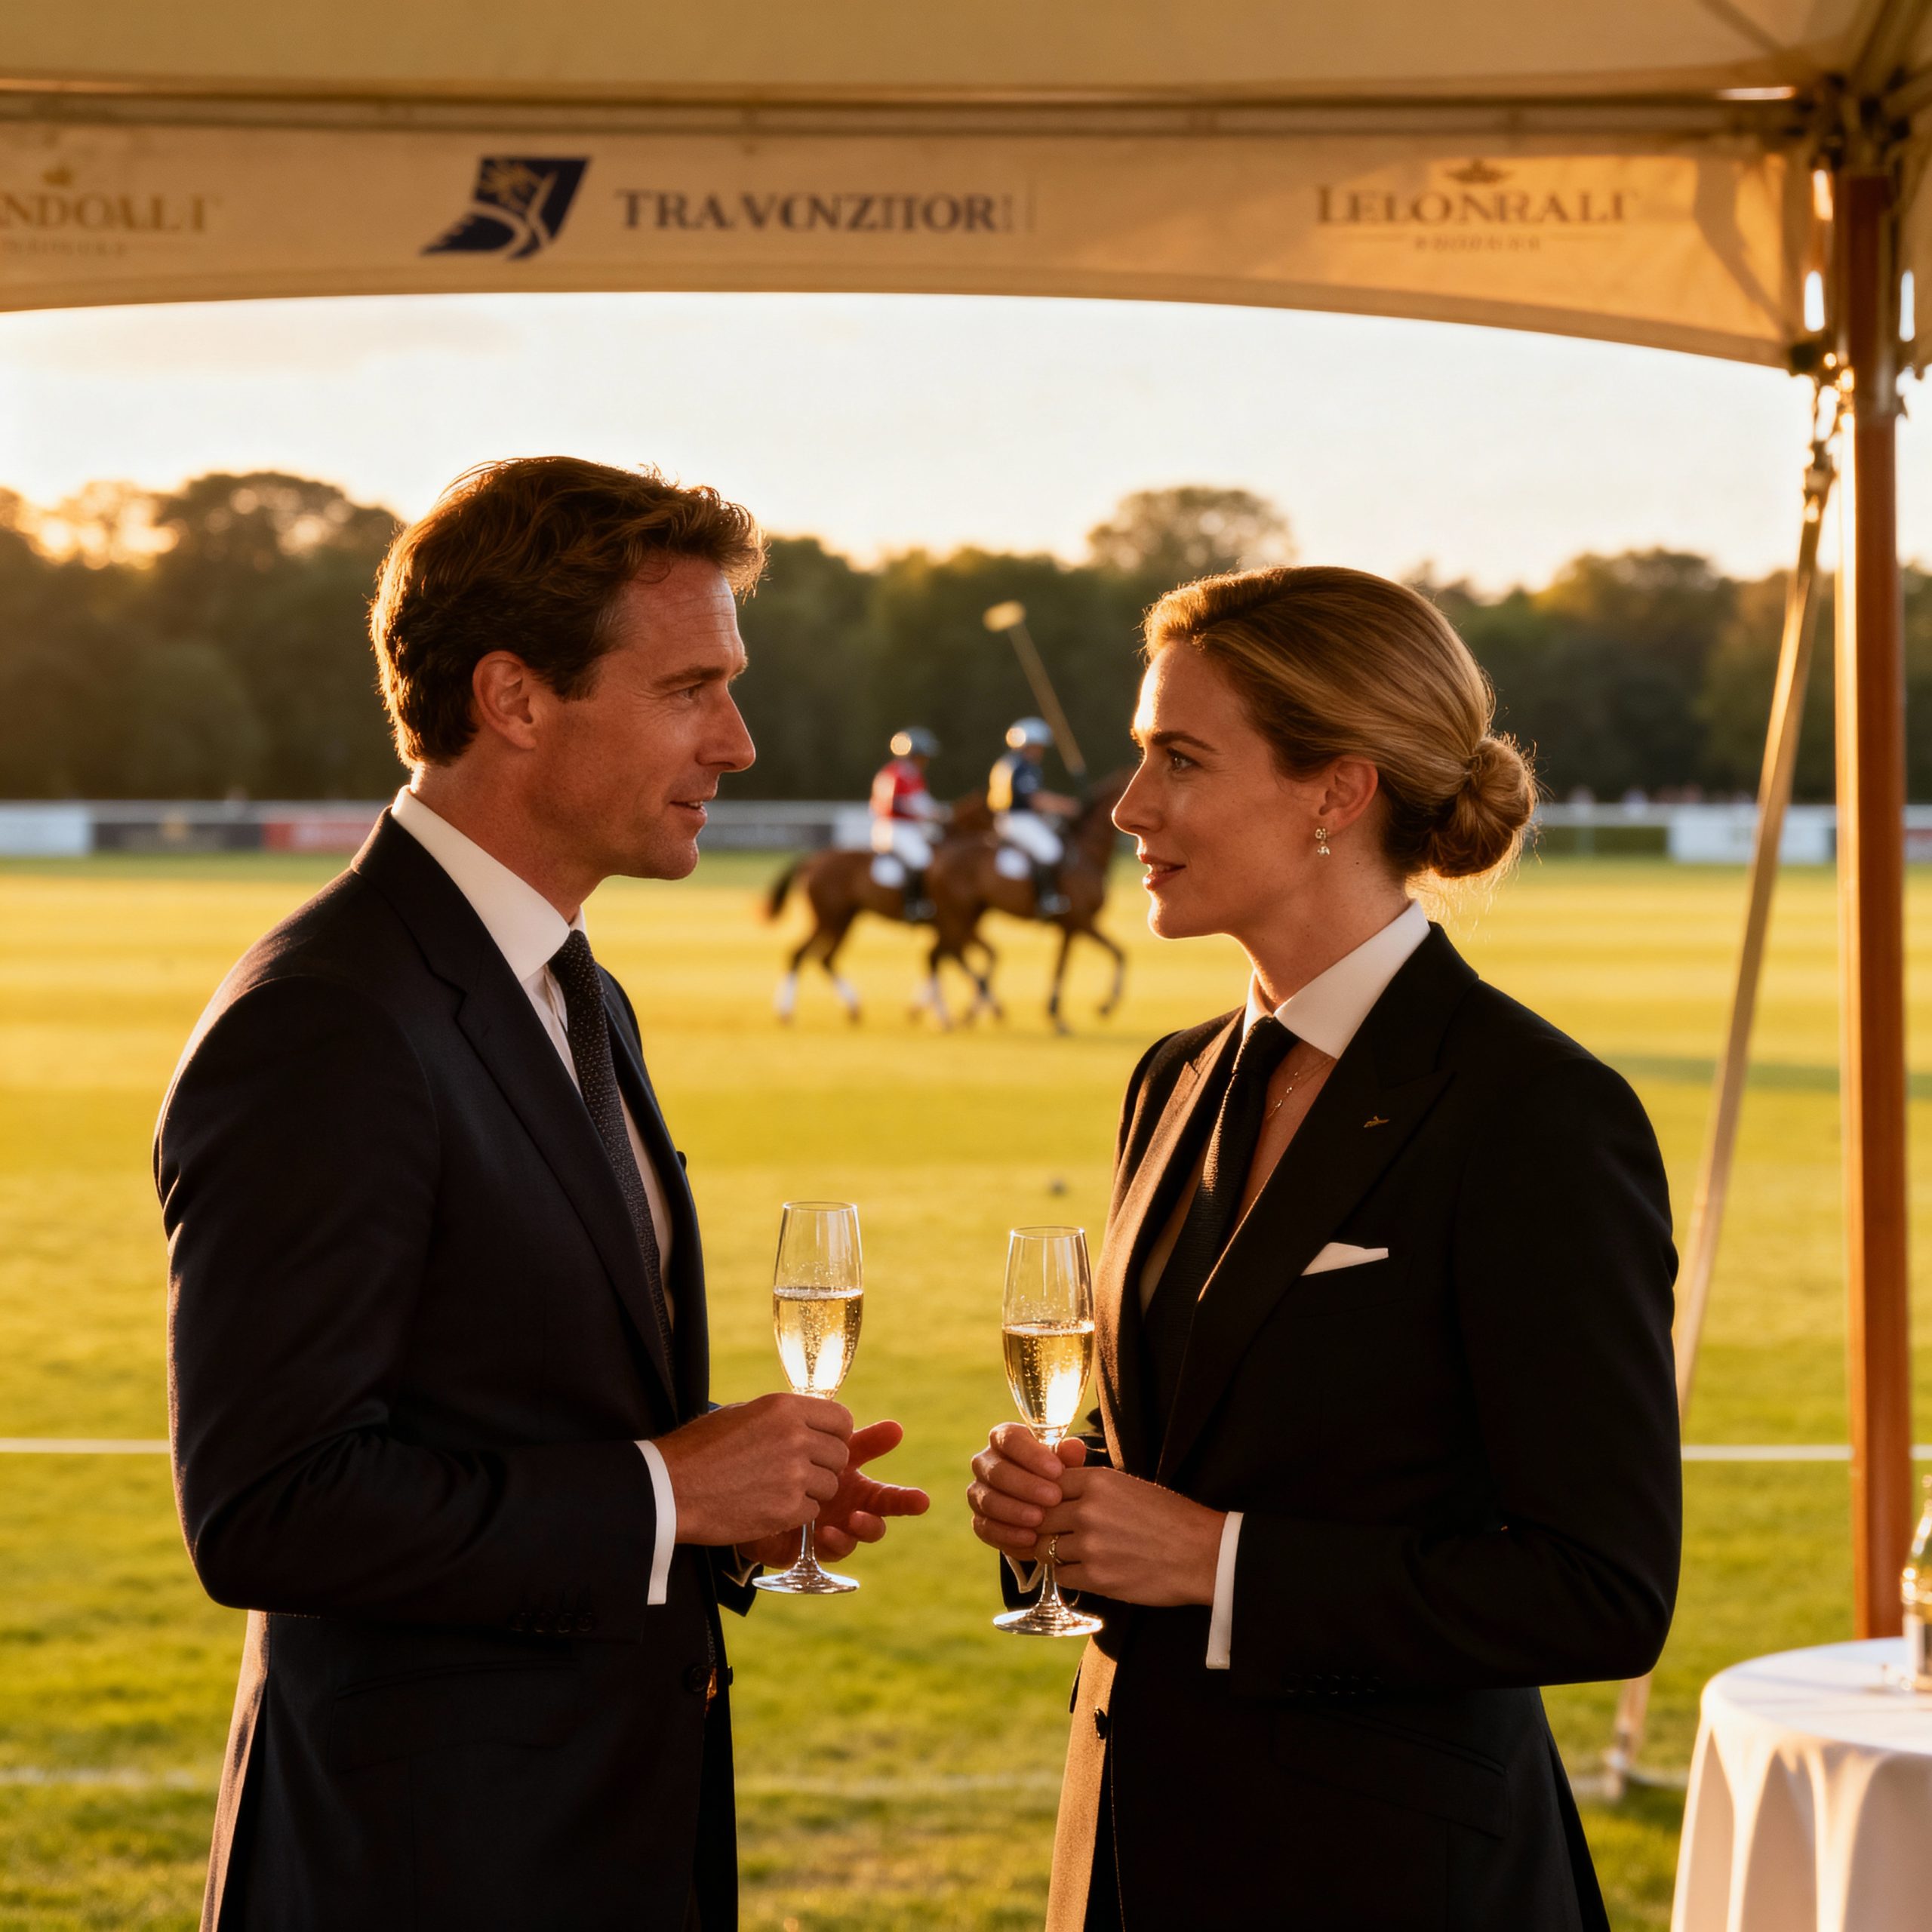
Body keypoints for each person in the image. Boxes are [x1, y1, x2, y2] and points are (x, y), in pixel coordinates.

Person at [158, 457, 929, 1932]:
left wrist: (708, 1511)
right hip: (422, 1867)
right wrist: (663, 1488)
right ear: (514, 698)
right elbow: (269, 1506)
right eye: (689, 687)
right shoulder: (326, 1018)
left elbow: (529, 1406)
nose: (740, 739)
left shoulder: (574, 985)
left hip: (599, 1833)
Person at [967, 565, 1680, 1931]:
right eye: (1138, 757)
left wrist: (1215, 1563)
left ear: (1335, 793)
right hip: (1134, 1853)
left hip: (1399, 1880)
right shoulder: (1172, 1080)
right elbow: (1185, 1456)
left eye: (1179, 759)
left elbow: (1601, 1591)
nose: (1130, 809)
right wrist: (1067, 1510)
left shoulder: (1534, 1113)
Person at [989, 717, 1079, 916]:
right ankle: (1047, 899)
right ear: (1025, 745)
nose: (1040, 751)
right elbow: (1034, 799)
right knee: (1050, 850)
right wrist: (1065, 806)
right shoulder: (1021, 767)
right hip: (1018, 819)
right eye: (1037, 746)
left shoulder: (1012, 763)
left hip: (1018, 818)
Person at [869, 725, 947, 920]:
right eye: (923, 755)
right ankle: (914, 905)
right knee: (922, 859)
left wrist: (937, 813)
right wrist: (933, 814)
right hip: (895, 828)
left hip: (908, 828)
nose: (925, 760)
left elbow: (922, 802)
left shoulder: (909, 774)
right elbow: (903, 803)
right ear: (913, 754)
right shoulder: (898, 774)